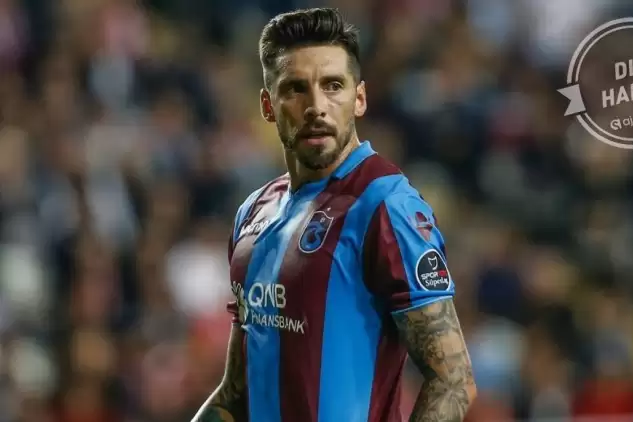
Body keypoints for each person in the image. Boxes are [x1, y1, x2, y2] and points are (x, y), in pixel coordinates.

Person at [192, 7, 476, 422]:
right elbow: (235, 393)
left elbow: (453, 381)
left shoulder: (386, 206)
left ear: (359, 98)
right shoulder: (253, 213)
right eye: (295, 88)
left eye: (333, 85)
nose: (316, 106)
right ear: (268, 105)